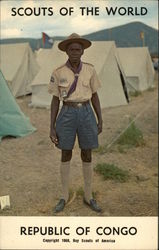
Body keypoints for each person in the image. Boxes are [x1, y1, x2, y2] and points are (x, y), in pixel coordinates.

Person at [48, 33, 103, 213]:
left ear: (82, 51)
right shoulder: (58, 72)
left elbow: (95, 95)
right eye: (71, 49)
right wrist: (52, 126)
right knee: (66, 152)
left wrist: (99, 118)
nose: (74, 52)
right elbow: (55, 100)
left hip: (87, 112)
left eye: (78, 49)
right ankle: (64, 196)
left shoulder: (90, 70)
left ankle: (88, 196)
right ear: (66, 51)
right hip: (67, 113)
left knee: (87, 153)